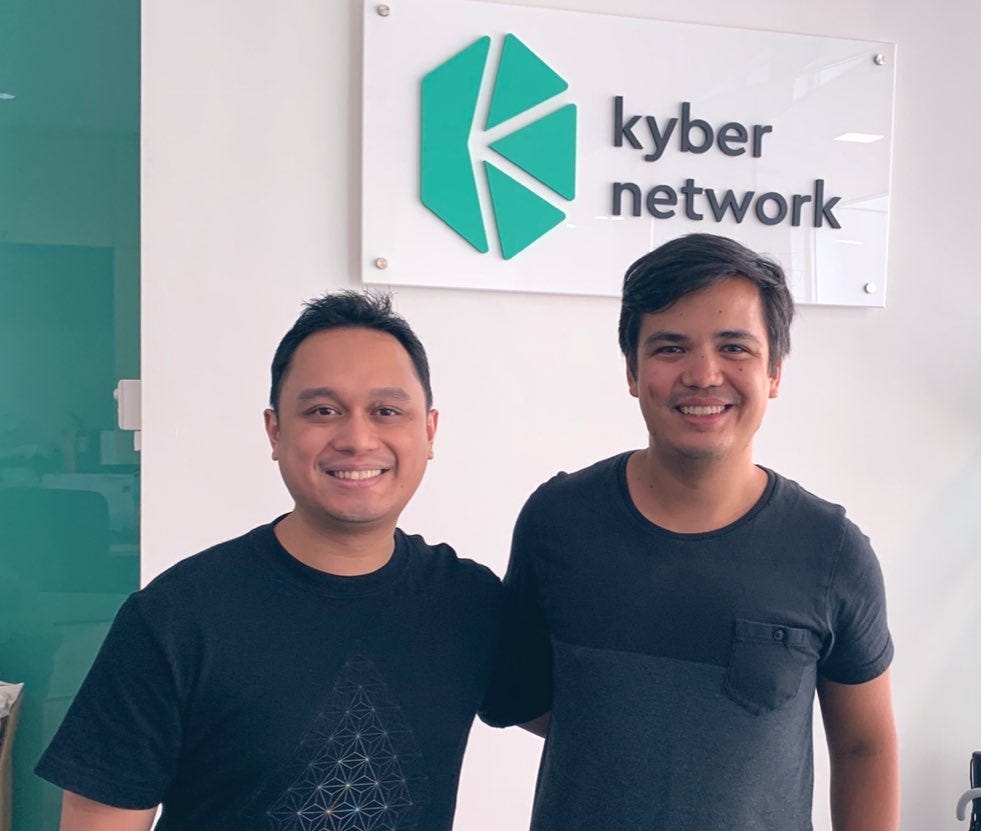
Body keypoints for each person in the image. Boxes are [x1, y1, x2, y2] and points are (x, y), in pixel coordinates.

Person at [37, 291, 503, 831]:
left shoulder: (469, 602)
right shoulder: (176, 617)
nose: (357, 438)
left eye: (386, 411)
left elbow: (576, 718)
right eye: (323, 411)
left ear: (428, 431)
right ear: (275, 431)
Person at [481, 233, 898, 830]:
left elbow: (864, 746)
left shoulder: (831, 551)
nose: (703, 374)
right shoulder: (559, 521)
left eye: (735, 347)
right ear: (632, 370)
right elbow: (526, 699)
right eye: (671, 347)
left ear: (774, 373)